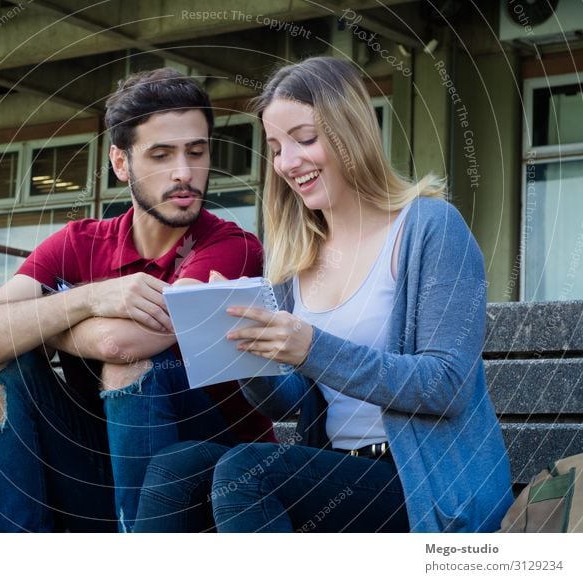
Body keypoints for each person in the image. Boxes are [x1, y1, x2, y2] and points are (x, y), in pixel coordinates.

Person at [135, 56, 513, 533]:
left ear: (350, 131)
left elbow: (445, 387)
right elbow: (286, 401)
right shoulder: (296, 252)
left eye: (305, 139)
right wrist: (246, 349)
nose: (287, 163)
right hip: (333, 470)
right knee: (180, 466)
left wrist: (311, 346)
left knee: (250, 476)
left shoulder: (429, 228)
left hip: (423, 484)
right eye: (275, 147)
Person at [0, 68, 275, 533]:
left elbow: (122, 344)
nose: (184, 173)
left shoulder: (231, 247)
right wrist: (90, 299)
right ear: (121, 163)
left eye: (196, 152)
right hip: (99, 462)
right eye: (161, 155)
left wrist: (42, 325)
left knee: (130, 366)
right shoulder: (79, 242)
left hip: (213, 468)